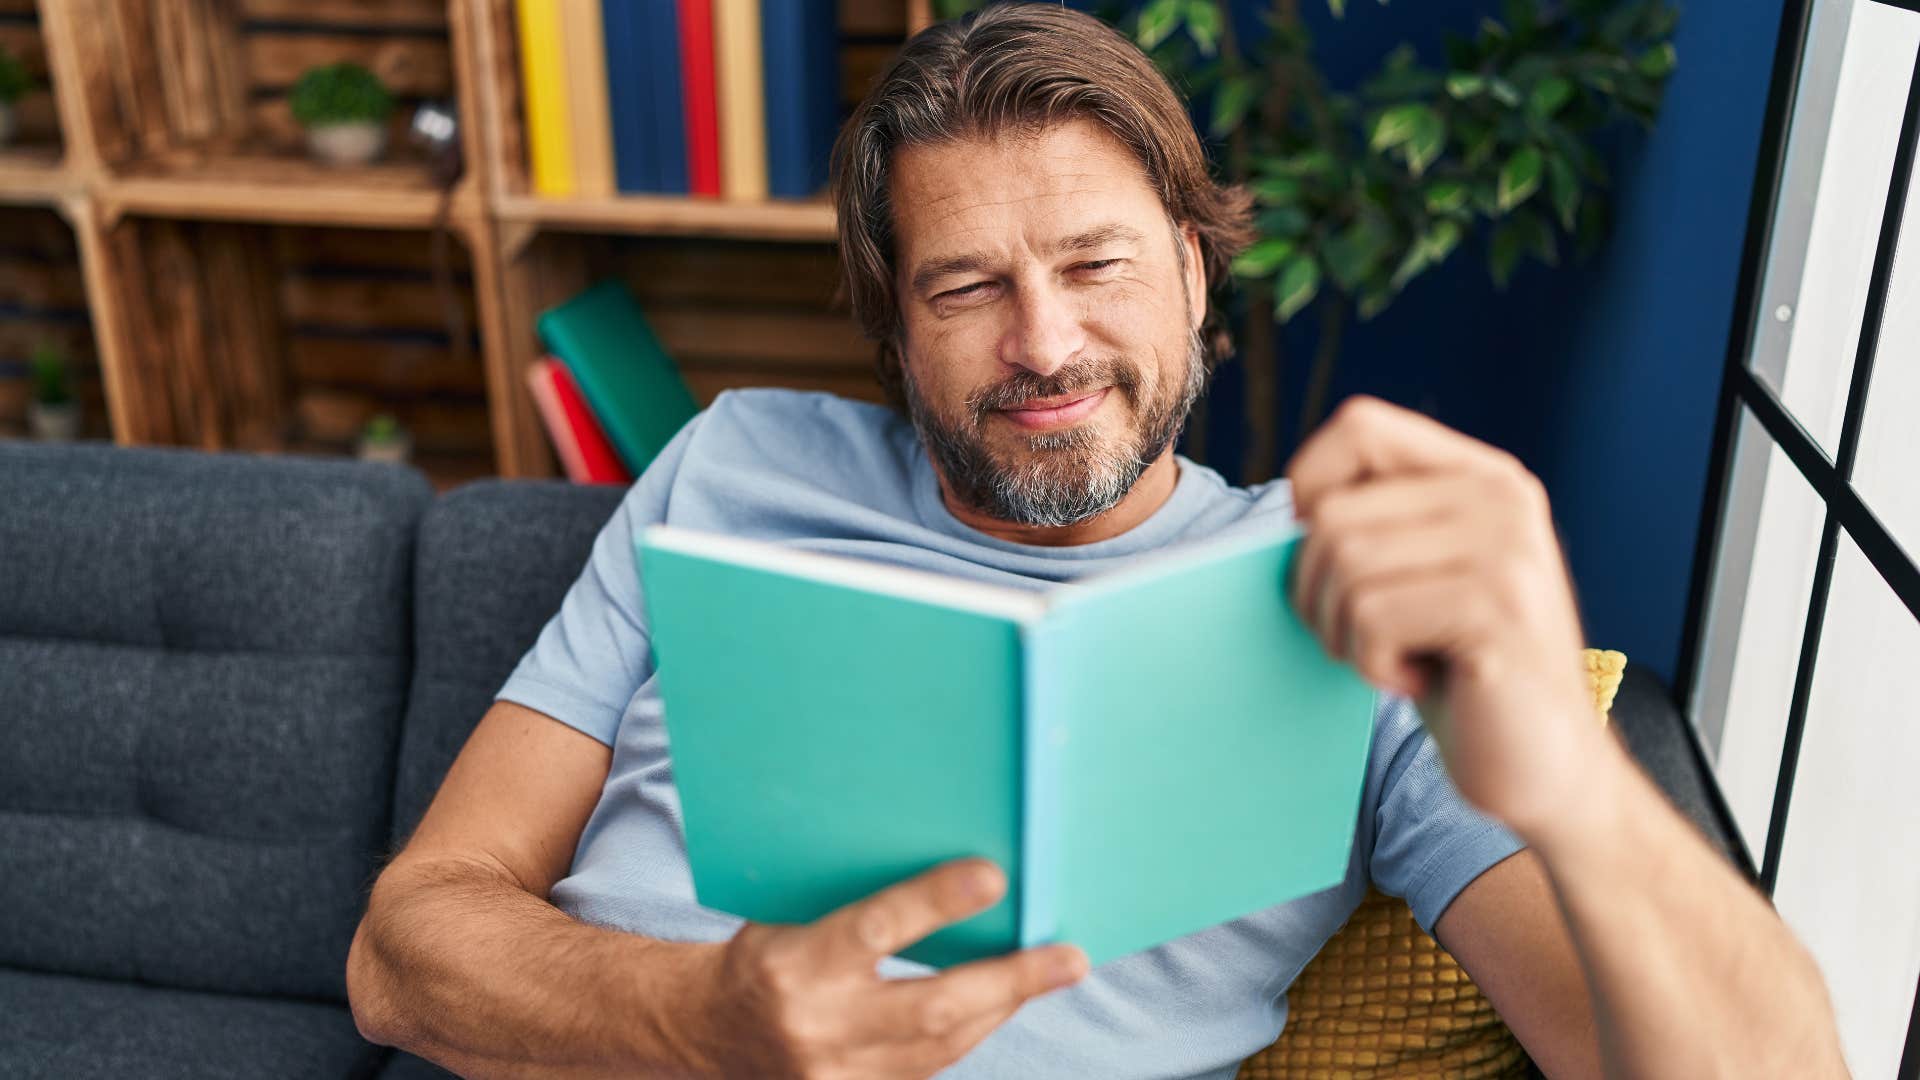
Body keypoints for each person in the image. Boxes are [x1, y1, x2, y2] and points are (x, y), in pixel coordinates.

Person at [346, 6, 1847, 1077]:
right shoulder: (728, 463)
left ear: (1195, 271)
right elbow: (403, 950)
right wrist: (700, 1020)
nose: (1044, 343)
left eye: (1095, 264)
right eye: (963, 289)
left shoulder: (1336, 598)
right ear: (892, 331)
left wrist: (1573, 785)